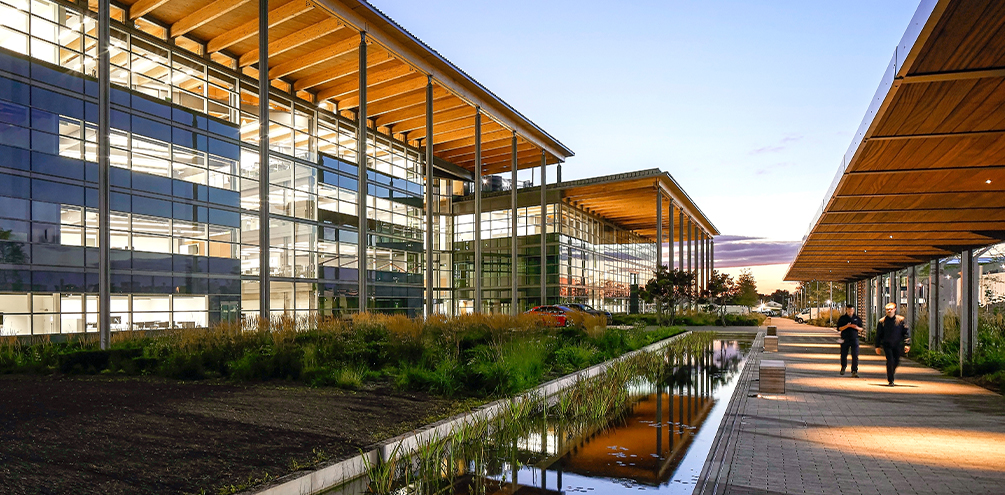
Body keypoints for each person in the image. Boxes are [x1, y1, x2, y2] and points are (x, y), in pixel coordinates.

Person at [875, 302, 911, 386]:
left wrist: (907, 344)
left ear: (895, 309)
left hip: (898, 344)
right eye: (887, 309)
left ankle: (891, 372)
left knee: (896, 361)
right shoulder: (882, 321)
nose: (889, 311)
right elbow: (878, 335)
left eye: (891, 309)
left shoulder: (901, 320)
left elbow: (906, 332)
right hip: (887, 345)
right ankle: (890, 379)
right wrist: (877, 346)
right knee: (890, 360)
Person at [836, 303, 862, 377]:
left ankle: (854, 370)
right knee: (844, 354)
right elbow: (839, 328)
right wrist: (846, 326)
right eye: (849, 310)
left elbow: (861, 329)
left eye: (851, 310)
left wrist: (856, 327)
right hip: (845, 338)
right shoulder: (842, 318)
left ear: (853, 310)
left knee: (855, 355)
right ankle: (843, 367)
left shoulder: (857, 318)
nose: (850, 312)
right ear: (846, 310)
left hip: (854, 339)